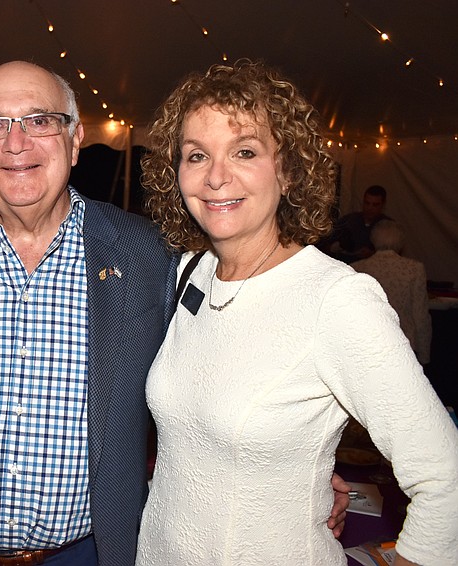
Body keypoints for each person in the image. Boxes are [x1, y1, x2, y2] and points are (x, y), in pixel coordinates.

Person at [0, 61, 348, 566]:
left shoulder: (149, 254)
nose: (16, 144)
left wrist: (287, 459)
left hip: (95, 551)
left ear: (75, 139)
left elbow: (215, 363)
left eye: (40, 121)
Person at [137, 59, 458, 566]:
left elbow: (447, 477)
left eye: (245, 151)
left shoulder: (336, 299)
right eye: (196, 155)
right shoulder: (188, 274)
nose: (217, 176)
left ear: (287, 170)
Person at [353, 220, 432, 364]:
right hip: (404, 347)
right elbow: (420, 316)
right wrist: (425, 355)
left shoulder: (357, 268)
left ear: (373, 240)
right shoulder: (414, 269)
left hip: (366, 347)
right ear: (401, 242)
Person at [323, 184, 390, 263]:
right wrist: (334, 247)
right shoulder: (348, 221)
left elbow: (393, 255)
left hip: (375, 270)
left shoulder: (388, 226)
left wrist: (372, 254)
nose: (370, 208)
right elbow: (325, 246)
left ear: (383, 205)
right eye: (367, 203)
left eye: (375, 205)